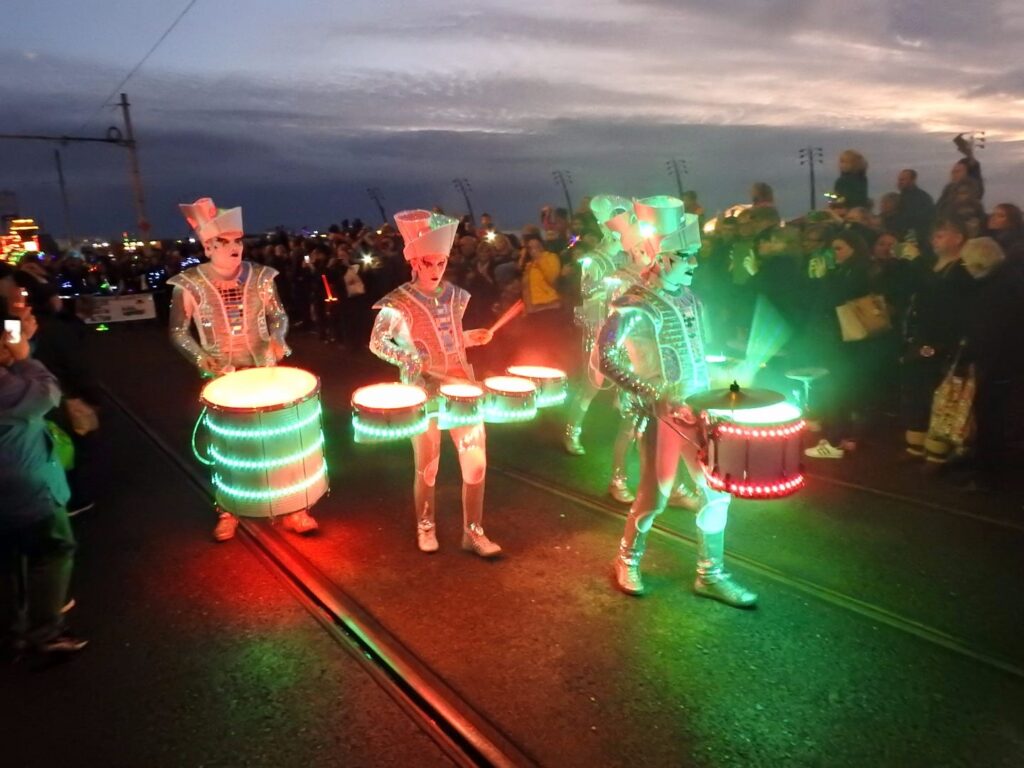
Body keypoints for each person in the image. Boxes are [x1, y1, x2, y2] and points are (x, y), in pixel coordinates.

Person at [598, 195, 756, 607]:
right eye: (687, 256)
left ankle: (711, 573)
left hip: (700, 412)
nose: (695, 265)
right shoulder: (633, 303)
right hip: (662, 416)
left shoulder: (691, 300)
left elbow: (701, 350)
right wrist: (652, 392)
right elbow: (605, 355)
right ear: (662, 258)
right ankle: (626, 559)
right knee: (655, 497)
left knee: (717, 494)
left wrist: (726, 373)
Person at [168, 198, 317, 541]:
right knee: (229, 445)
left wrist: (277, 337)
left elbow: (278, 315)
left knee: (282, 439)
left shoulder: (262, 276)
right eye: (224, 242)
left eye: (238, 241)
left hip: (265, 369)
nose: (234, 248)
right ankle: (229, 508)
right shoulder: (189, 284)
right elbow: (178, 331)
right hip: (224, 377)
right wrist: (203, 359)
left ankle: (294, 507)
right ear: (208, 246)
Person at [369, 209, 500, 557]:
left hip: (461, 387)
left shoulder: (455, 296)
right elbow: (377, 342)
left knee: (476, 462)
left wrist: (471, 337)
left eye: (441, 261)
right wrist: (409, 358)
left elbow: (452, 338)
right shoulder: (398, 302)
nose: (435, 269)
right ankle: (425, 524)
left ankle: (473, 531)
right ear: (413, 261)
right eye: (428, 262)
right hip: (423, 391)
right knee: (429, 466)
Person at [0, 293, 87, 656]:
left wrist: (18, 337)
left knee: (12, 558)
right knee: (53, 549)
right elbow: (44, 394)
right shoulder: (8, 383)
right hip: (24, 484)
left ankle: (16, 627)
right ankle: (45, 632)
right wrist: (25, 355)